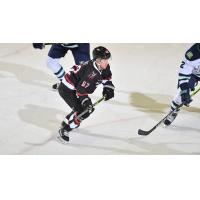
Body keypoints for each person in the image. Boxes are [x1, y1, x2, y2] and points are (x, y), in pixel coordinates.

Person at [57, 46, 115, 142]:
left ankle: (68, 120)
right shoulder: (90, 73)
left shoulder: (103, 66)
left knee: (85, 110)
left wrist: (108, 88)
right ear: (98, 60)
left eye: (107, 59)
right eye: (105, 60)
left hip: (76, 87)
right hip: (67, 90)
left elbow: (106, 77)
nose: (107, 62)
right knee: (84, 111)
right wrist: (85, 102)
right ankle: (65, 129)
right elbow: (81, 90)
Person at [164, 43, 200, 126]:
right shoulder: (192, 54)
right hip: (193, 74)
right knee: (180, 95)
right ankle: (174, 111)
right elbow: (183, 76)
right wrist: (185, 92)